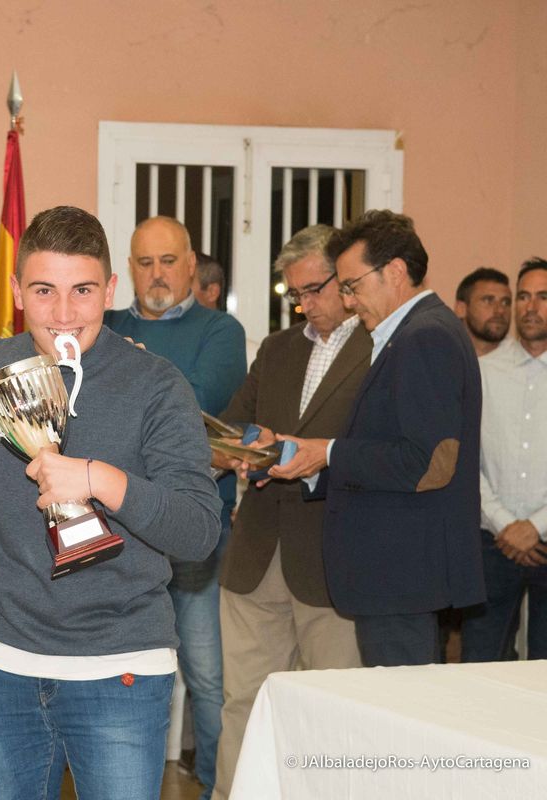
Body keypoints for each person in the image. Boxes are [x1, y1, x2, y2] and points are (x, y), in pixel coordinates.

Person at [0, 205, 221, 799]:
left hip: (120, 669)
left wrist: (100, 480)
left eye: (83, 290)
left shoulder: (156, 384)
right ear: (16, 290)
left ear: (111, 290)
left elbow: (199, 530)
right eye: (44, 290)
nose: (64, 313)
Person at [269, 209, 484, 667]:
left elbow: (427, 463)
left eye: (352, 285)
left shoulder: (425, 336)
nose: (349, 302)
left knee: (400, 707)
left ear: (396, 272)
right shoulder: (410, 333)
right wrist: (316, 466)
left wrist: (329, 452)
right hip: (395, 574)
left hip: (402, 573)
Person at [210, 225, 369, 800]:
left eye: (314, 290)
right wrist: (242, 446)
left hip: (334, 558)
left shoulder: (378, 346)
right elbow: (231, 429)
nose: (305, 305)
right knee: (244, 705)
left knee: (334, 711)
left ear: (345, 280)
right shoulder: (277, 348)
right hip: (257, 551)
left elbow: (378, 452)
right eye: (295, 294)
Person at [104, 215, 245, 798]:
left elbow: (197, 401)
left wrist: (125, 377)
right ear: (127, 271)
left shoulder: (221, 330)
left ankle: (215, 787)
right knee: (111, 671)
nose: (157, 274)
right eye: (145, 262)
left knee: (207, 675)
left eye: (168, 261)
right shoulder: (106, 324)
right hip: (113, 528)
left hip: (191, 531)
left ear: (191, 266)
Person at [461, 258, 547, 662]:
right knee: (480, 666)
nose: (531, 307)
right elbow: (467, 460)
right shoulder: (482, 372)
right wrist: (506, 525)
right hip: (492, 542)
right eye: (523, 297)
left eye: (543, 296)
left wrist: (535, 526)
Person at [454, 267, 511, 356]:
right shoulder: (439, 354)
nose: (500, 310)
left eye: (505, 302)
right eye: (488, 300)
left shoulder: (523, 360)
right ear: (461, 309)